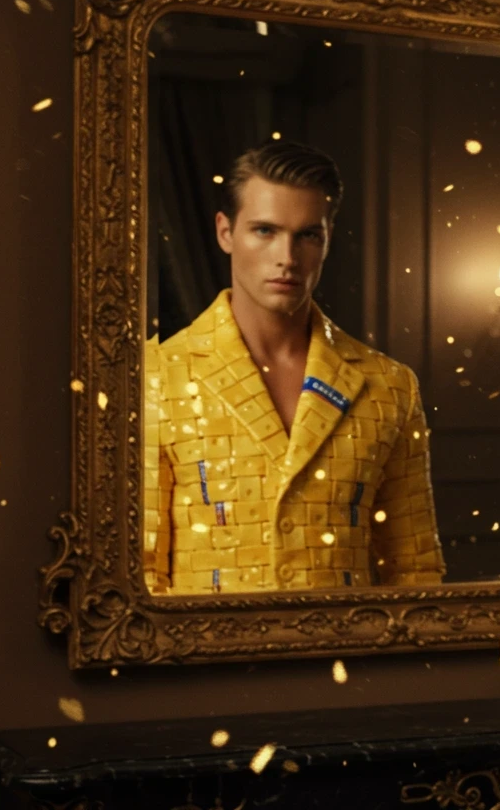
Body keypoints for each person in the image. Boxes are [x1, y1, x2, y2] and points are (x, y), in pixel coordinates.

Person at [143, 141, 446, 593]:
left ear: (326, 240)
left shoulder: (389, 386)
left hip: (349, 658)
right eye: (265, 231)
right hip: (205, 660)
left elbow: (414, 571)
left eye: (307, 235)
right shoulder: (157, 375)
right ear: (225, 232)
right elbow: (143, 578)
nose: (287, 256)